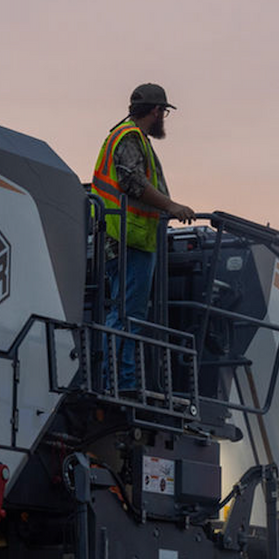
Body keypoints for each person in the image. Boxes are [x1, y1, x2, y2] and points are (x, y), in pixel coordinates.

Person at [90, 83, 196, 390]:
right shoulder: (129, 137)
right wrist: (172, 206)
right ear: (156, 111)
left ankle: (120, 381)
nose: (163, 117)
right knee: (126, 314)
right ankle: (120, 384)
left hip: (127, 236)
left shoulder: (125, 136)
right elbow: (132, 182)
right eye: (163, 111)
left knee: (126, 312)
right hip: (129, 238)